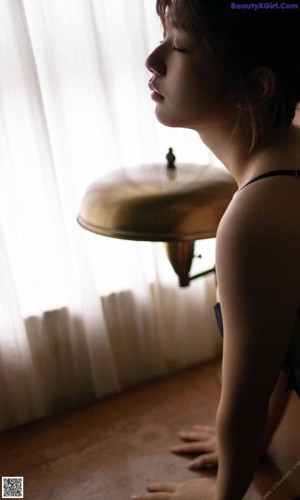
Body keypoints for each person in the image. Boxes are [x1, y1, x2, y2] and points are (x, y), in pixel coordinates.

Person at [132, 1, 300, 499]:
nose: (153, 59)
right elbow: (275, 354)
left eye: (179, 45)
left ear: (255, 86)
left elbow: (246, 399)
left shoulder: (256, 216)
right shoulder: (286, 158)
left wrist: (222, 494)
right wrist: (245, 448)